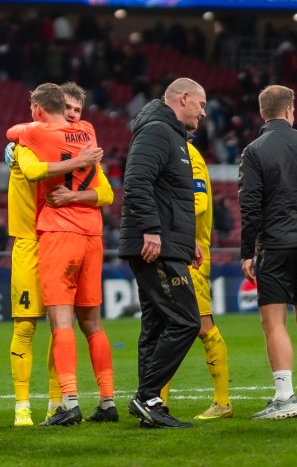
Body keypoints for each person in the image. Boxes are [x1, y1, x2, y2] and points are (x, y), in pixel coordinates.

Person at [3, 82, 111, 427]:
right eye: (67, 108)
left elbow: (105, 191)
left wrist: (70, 195)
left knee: (60, 323)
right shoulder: (83, 135)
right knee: (30, 327)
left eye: (77, 111)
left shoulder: (38, 135)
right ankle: (24, 406)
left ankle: (62, 402)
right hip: (43, 239)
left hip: (57, 233)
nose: (72, 115)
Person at [119, 78, 206, 429]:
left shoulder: (173, 135)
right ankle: (146, 396)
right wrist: (152, 231)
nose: (202, 112)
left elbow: (169, 194)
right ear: (183, 98)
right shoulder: (157, 131)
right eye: (200, 104)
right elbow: (136, 181)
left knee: (155, 325)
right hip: (154, 244)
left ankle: (151, 404)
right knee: (187, 320)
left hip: (169, 242)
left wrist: (189, 242)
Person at [238, 85, 297, 420]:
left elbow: (250, 208)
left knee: (273, 321)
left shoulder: (254, 151)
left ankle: (284, 397)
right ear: (290, 110)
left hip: (275, 245)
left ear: (263, 113)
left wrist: (247, 252)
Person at [160, 139, 232, 420]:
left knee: (203, 325)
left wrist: (175, 231)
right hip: (175, 251)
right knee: (164, 327)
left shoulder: (187, 154)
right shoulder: (172, 152)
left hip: (190, 255)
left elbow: (199, 201)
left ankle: (223, 402)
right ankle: (158, 402)